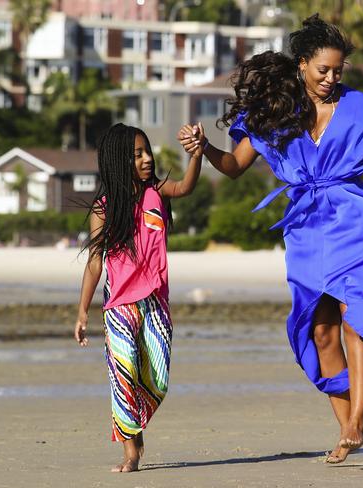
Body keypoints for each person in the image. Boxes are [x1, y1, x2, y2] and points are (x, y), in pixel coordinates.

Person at [178, 14, 363, 464]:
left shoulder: (359, 107)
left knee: (356, 309)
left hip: (352, 219)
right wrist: (204, 149)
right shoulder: (277, 109)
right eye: (323, 71)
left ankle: (356, 420)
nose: (332, 79)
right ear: (301, 65)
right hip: (305, 226)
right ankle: (347, 429)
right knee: (320, 331)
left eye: (338, 71)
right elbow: (235, 166)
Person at [74, 123, 203, 472]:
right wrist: (83, 311)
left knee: (158, 377)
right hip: (118, 305)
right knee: (124, 373)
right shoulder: (104, 208)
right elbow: (94, 261)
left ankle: (134, 420)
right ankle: (131, 452)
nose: (147, 159)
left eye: (147, 152)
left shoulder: (157, 193)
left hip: (156, 302)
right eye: (137, 155)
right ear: (119, 161)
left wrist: (197, 155)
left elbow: (187, 186)